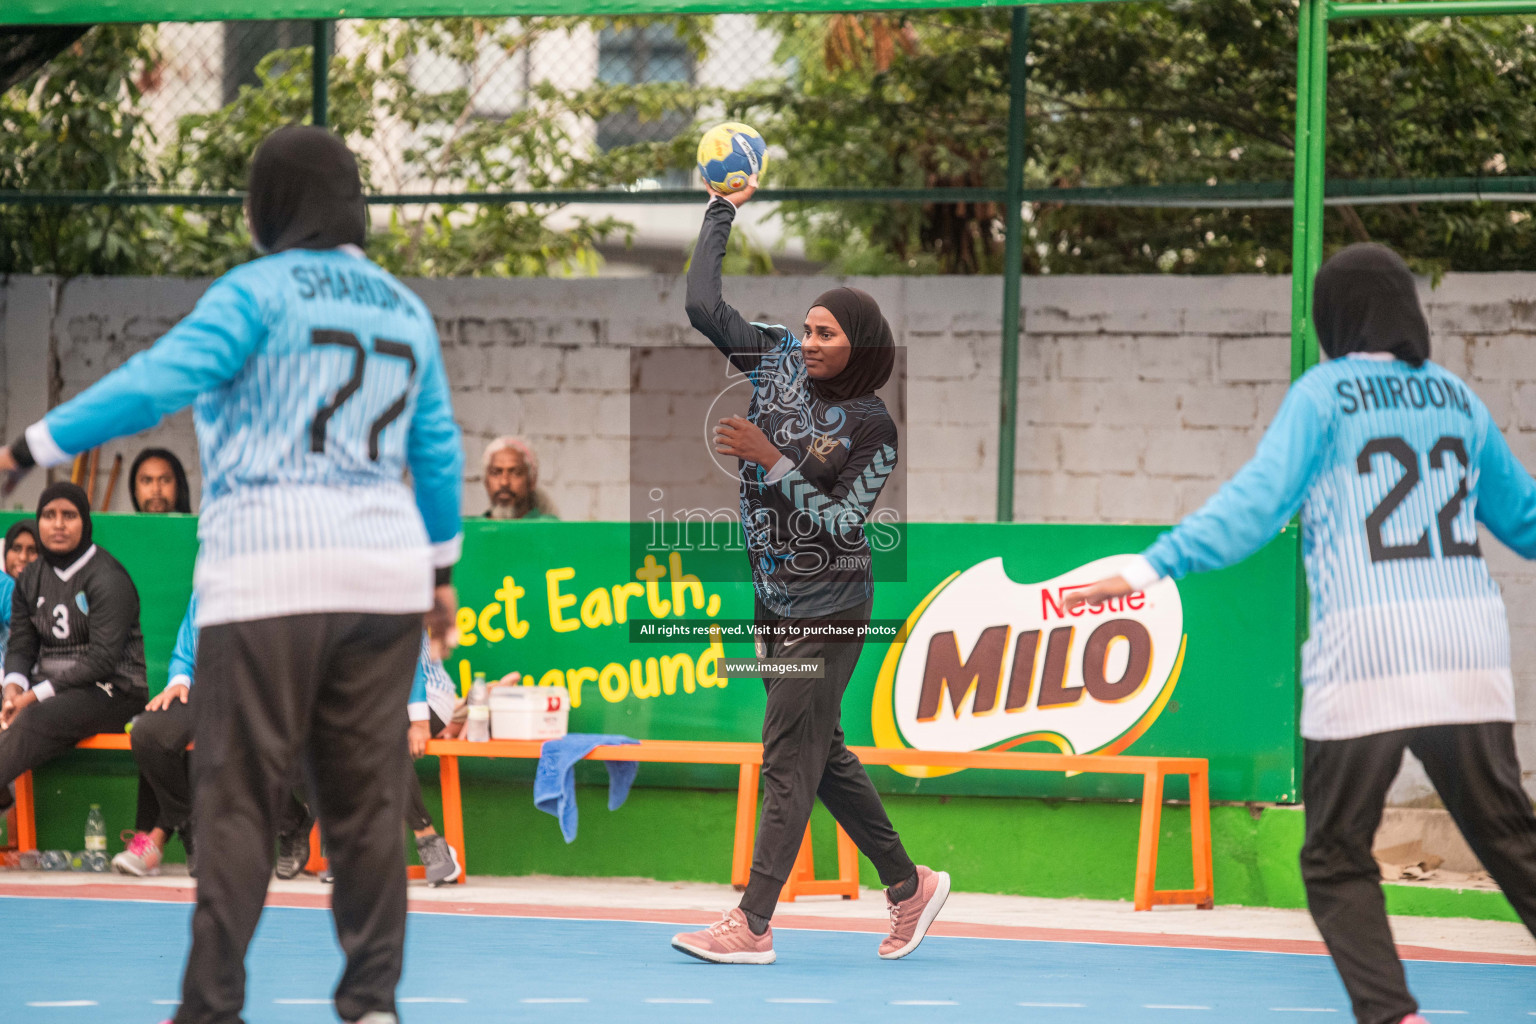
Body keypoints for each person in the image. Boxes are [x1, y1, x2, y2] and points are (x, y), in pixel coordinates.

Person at [0, 125, 463, 1024]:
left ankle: (211, 1008)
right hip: (384, 579)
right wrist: (440, 574)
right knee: (366, 803)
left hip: (269, 571)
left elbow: (154, 381)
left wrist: (31, 446)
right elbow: (437, 451)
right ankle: (371, 1004)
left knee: (239, 796)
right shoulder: (405, 310)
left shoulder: (255, 293)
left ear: (269, 206)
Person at [1067, 244, 1536, 1024]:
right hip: (1469, 648)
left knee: (1333, 853)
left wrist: (1154, 566)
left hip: (1368, 652)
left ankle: (1392, 1015)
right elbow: (1525, 520)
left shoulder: (1326, 396)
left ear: (1335, 316)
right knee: (1510, 837)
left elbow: (1255, 507)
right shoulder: (1457, 399)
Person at [671, 181, 947, 965]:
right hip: (773, 598)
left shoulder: (873, 426)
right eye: (808, 328)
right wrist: (722, 208)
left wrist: (771, 457)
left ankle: (752, 923)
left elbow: (842, 522)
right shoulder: (775, 362)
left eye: (827, 333)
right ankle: (910, 887)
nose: (812, 340)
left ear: (859, 344)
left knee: (789, 753)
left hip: (830, 605)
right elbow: (702, 305)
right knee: (819, 752)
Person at [112, 594, 314, 879]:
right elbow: (186, 650)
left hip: (269, 695)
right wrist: (179, 680)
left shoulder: (284, 581)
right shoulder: (210, 581)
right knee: (148, 734)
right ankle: (191, 828)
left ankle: (290, 824)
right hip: (207, 691)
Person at [0, 485, 148, 822]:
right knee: (18, 710)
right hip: (50, 688)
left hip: (114, 690)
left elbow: (101, 660)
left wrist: (31, 698)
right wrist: (12, 692)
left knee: (33, 718)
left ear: (85, 522)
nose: (59, 524)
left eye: (69, 515)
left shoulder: (107, 576)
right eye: (49, 516)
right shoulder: (31, 577)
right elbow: (21, 646)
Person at [403, 632, 462, 886]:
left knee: (385, 746)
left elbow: (409, 660)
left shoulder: (391, 596)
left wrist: (418, 721)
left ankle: (429, 839)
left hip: (428, 696)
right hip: (374, 701)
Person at [482, 436, 557, 519]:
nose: (504, 482)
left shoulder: (549, 528)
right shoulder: (470, 528)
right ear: (486, 481)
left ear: (532, 480)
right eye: (495, 473)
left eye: (516, 473)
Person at [1, 520, 39, 657]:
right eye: (16, 549)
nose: (23, 557)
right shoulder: (4, 587)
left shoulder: (54, 593)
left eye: (32, 550)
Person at [130, 447, 193, 514]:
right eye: (147, 481)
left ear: (178, 486)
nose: (156, 490)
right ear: (135, 489)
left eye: (165, 480)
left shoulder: (200, 524)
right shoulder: (122, 524)